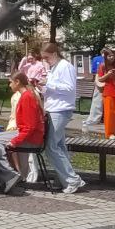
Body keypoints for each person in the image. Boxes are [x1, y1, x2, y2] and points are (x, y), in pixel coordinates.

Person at [40, 42, 86, 194]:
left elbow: (69, 88)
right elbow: (54, 89)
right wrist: (43, 88)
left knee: (51, 147)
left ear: (54, 54)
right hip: (54, 108)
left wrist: (49, 83)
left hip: (61, 110)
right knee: (59, 146)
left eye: (46, 57)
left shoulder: (65, 66)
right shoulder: (54, 67)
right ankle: (64, 178)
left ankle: (72, 179)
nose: (45, 60)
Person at [0, 69, 45, 187]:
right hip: (26, 134)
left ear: (17, 82)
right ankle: (3, 176)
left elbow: (30, 127)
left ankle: (9, 175)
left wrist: (15, 141)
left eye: (10, 82)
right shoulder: (26, 95)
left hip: (31, 139)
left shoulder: (27, 97)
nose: (9, 85)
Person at [97, 49, 115, 140]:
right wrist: (108, 74)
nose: (112, 57)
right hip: (108, 92)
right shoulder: (102, 66)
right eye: (109, 56)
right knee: (109, 114)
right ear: (105, 57)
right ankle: (109, 133)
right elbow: (100, 79)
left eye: (112, 55)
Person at [83, 48, 106, 130]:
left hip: (99, 79)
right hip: (107, 80)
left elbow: (94, 72)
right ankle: (103, 118)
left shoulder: (96, 59)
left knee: (97, 100)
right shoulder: (110, 60)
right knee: (103, 100)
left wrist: (95, 82)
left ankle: (95, 118)